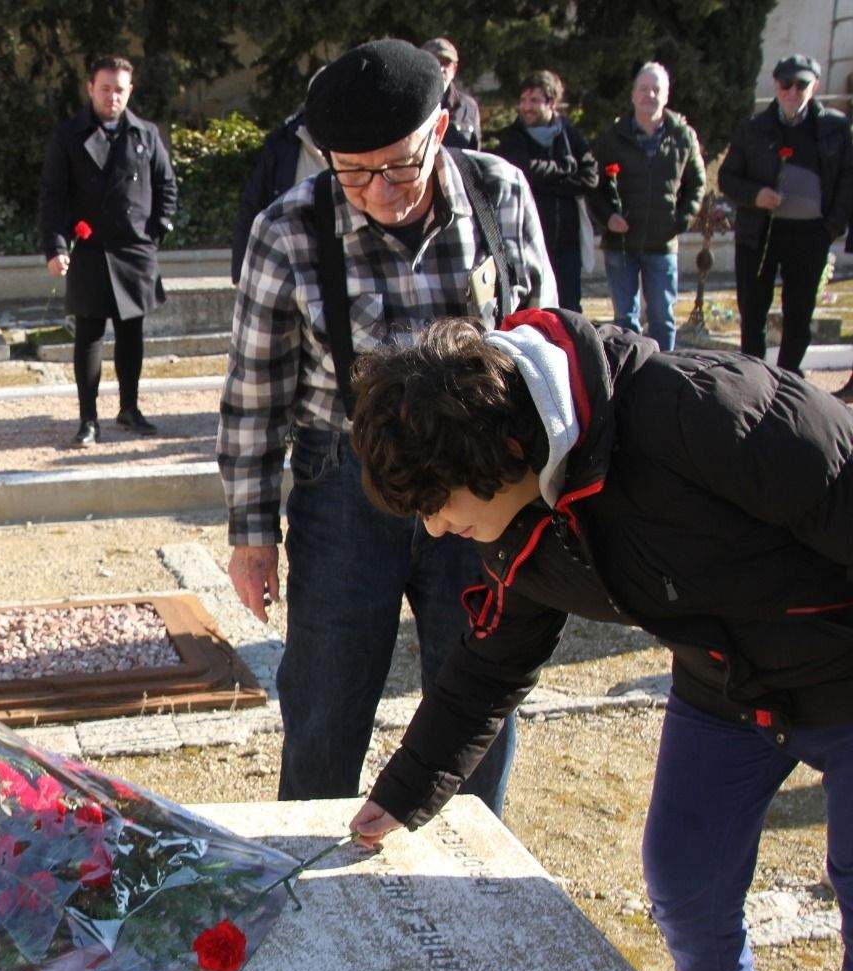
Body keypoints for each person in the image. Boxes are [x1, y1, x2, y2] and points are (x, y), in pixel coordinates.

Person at [345, 308, 853, 971]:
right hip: (724, 681)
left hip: (843, 669)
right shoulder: (516, 510)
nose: (438, 529)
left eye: (439, 503)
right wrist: (404, 793)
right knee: (685, 883)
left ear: (503, 451)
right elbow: (492, 663)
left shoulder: (701, 412)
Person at [218, 39, 555, 812]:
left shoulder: (500, 196)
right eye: (354, 173)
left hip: (484, 485)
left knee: (477, 690)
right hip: (345, 485)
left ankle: (472, 855)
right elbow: (255, 394)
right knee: (325, 702)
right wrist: (251, 534)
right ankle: (308, 856)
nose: (380, 191)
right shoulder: (288, 230)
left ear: (440, 130)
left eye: (400, 167)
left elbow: (545, 351)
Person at [40, 56, 179, 447]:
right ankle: (88, 419)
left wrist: (155, 232)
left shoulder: (146, 134)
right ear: (90, 88)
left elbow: (166, 186)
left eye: (119, 89)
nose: (112, 96)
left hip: (134, 247)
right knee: (89, 334)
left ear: (129, 91)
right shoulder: (69, 136)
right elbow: (52, 196)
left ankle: (129, 407)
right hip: (90, 248)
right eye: (105, 88)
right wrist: (56, 245)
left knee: (131, 332)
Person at [720, 53, 853, 382]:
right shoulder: (753, 128)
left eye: (801, 85)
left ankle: (788, 380)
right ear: (775, 85)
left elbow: (847, 179)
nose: (793, 92)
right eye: (786, 84)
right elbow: (727, 179)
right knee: (753, 310)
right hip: (759, 232)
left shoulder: (835, 128)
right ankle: (753, 380)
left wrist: (832, 226)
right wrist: (755, 195)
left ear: (815, 87)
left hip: (811, 234)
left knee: (799, 313)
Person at [590, 61, 705, 351]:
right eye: (643, 89)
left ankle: (665, 370)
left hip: (662, 243)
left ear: (666, 96)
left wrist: (680, 221)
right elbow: (593, 185)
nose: (649, 95)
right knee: (625, 321)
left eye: (656, 89)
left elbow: (697, 184)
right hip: (621, 244)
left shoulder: (682, 136)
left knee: (662, 318)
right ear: (633, 95)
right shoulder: (612, 138)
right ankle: (631, 372)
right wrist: (608, 217)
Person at [494, 70, 599, 312]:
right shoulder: (513, 137)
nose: (526, 107)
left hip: (567, 244)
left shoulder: (570, 136)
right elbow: (526, 171)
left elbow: (590, 177)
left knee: (569, 310)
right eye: (523, 100)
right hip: (527, 242)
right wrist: (566, 169)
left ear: (551, 103)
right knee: (532, 311)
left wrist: (548, 182)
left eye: (534, 100)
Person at [231, 71, 328, 285]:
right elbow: (253, 206)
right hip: (292, 266)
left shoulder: (363, 146)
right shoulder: (282, 143)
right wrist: (241, 272)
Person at [421, 38, 481, 150]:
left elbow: (475, 153)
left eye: (445, 62)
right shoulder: (409, 101)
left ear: (454, 69)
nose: (440, 68)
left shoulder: (468, 107)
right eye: (433, 62)